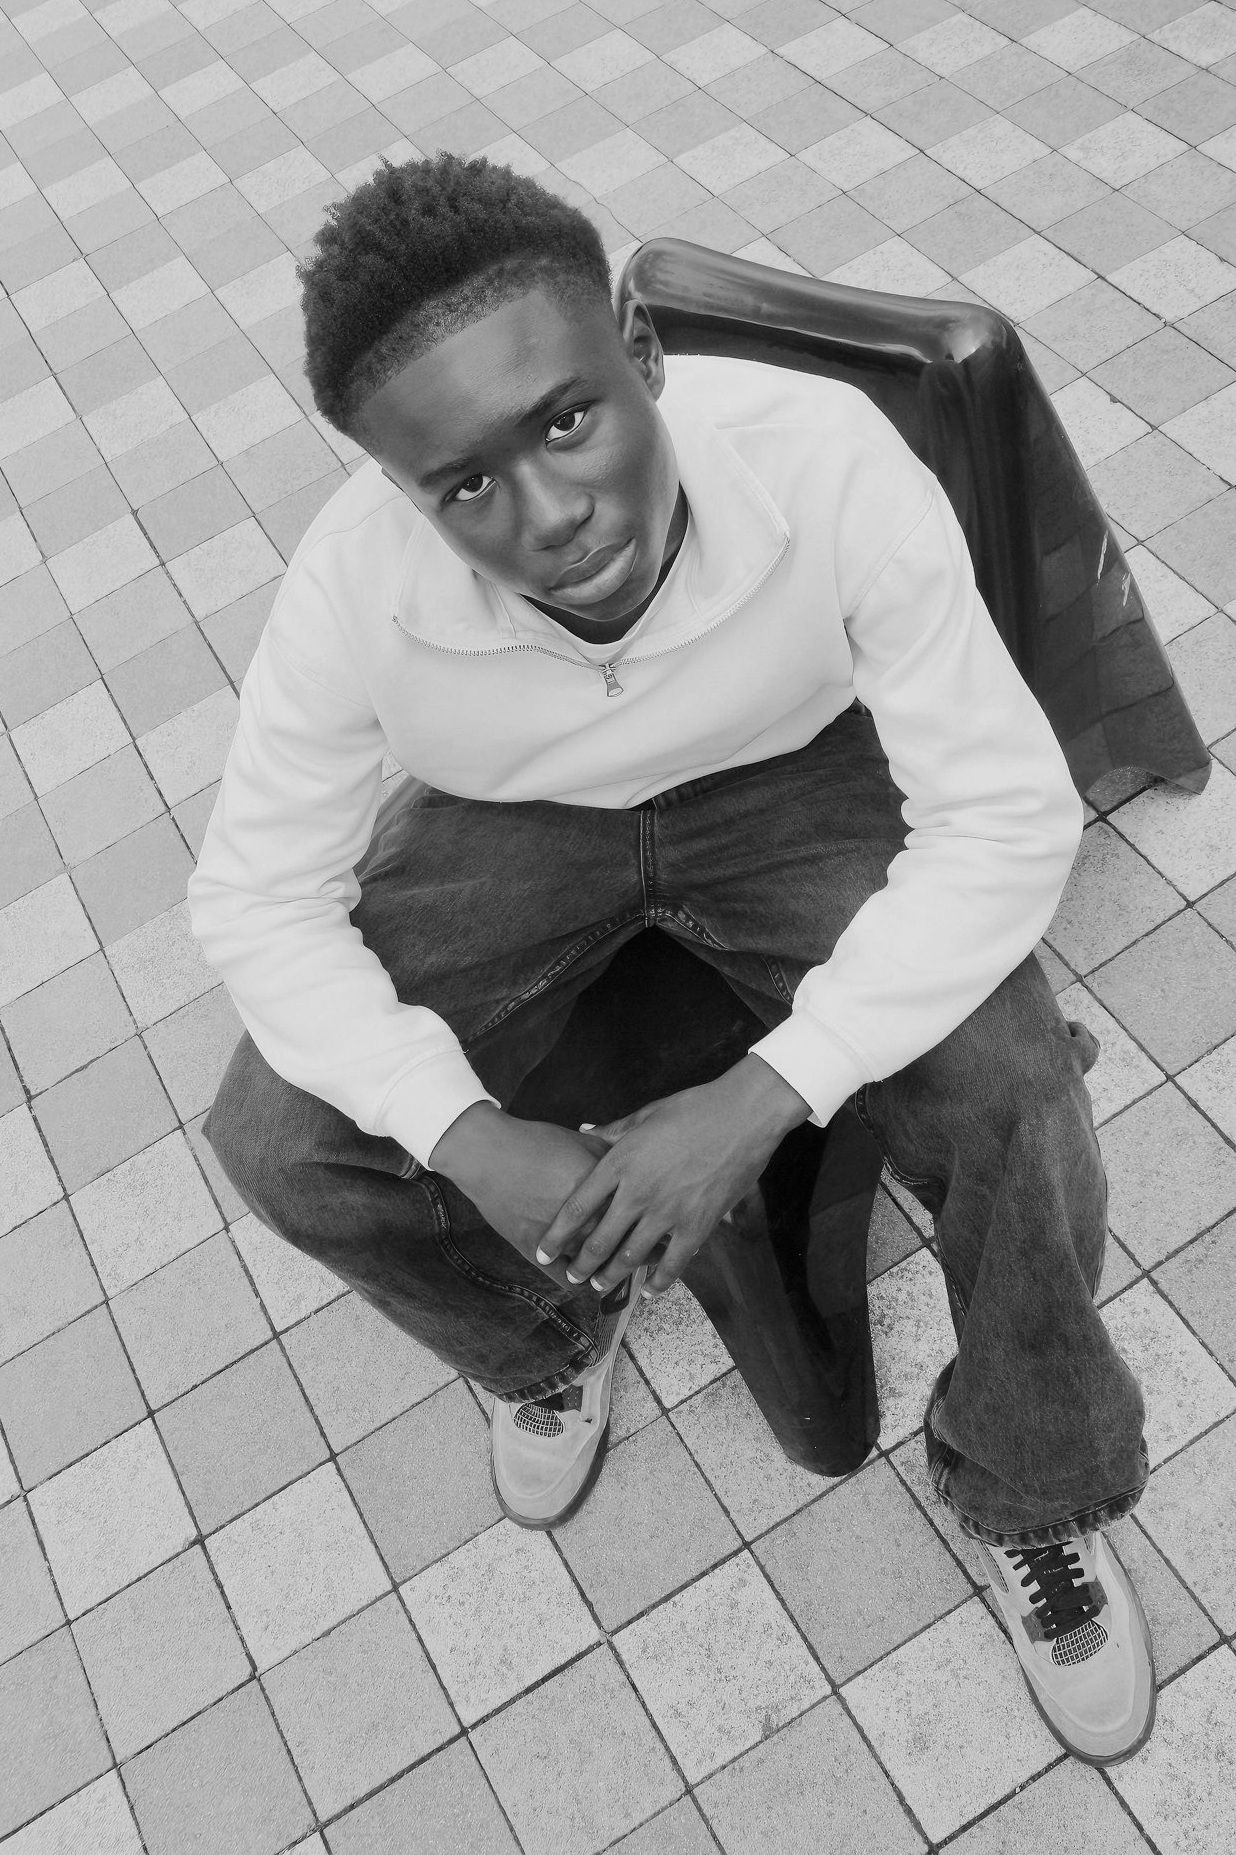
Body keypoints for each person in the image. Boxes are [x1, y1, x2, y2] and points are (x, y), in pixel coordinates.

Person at [189, 151, 1155, 1765]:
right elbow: (253, 899)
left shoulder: (822, 462)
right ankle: (547, 1340)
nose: (548, 517)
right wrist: (461, 1133)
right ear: (400, 490)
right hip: (527, 821)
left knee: (1013, 1091)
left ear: (641, 356)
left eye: (568, 419)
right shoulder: (355, 585)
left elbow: (1004, 814)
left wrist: (765, 1094)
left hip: (793, 777)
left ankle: (1033, 1483)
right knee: (280, 1140)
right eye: (463, 487)